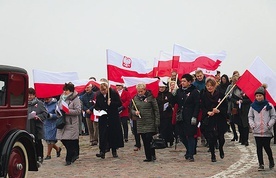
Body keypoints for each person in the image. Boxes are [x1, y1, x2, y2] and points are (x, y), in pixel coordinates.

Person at [173, 74, 200, 161]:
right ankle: (189, 150)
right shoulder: (179, 91)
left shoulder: (194, 91)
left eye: (184, 81)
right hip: (181, 116)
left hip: (190, 115)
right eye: (182, 81)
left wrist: (195, 116)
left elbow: (197, 105)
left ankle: (191, 154)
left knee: (191, 135)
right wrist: (172, 94)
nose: (182, 83)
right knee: (181, 135)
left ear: (189, 82)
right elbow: (174, 102)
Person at [200, 77, 228, 162]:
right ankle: (212, 154)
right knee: (211, 138)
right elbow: (202, 107)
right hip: (209, 119)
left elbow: (225, 107)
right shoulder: (204, 95)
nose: (209, 87)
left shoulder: (221, 95)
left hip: (219, 119)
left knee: (221, 138)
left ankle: (220, 148)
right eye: (208, 86)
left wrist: (218, 110)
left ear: (214, 86)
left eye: (211, 86)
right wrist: (207, 112)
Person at [248, 85, 275, 171]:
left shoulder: (269, 105)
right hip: (257, 131)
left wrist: (269, 125)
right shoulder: (253, 106)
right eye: (257, 96)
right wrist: (252, 125)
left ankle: (271, 160)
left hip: (267, 131)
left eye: (260, 95)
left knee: (267, 147)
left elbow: (273, 116)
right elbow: (250, 117)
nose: (259, 97)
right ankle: (261, 164)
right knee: (258, 148)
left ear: (264, 96)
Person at [94, 80, 124, 159]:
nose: (103, 92)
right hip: (103, 117)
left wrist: (111, 103)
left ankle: (114, 150)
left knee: (113, 133)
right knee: (103, 134)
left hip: (112, 117)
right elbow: (96, 105)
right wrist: (99, 109)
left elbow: (119, 103)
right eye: (101, 90)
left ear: (107, 89)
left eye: (104, 90)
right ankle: (102, 151)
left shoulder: (113, 93)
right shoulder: (99, 95)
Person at [131, 83, 160, 162]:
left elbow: (156, 110)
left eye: (141, 91)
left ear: (145, 90)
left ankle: (152, 154)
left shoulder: (151, 98)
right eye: (138, 91)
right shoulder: (135, 99)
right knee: (144, 139)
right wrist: (135, 112)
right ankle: (148, 156)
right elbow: (132, 109)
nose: (140, 93)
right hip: (141, 122)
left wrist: (157, 121)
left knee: (149, 138)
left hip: (150, 121)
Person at [56, 82, 82, 166]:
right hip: (63, 122)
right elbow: (58, 106)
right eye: (64, 90)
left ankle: (68, 159)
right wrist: (58, 111)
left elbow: (78, 111)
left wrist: (68, 111)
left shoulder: (75, 99)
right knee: (63, 139)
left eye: (66, 90)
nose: (64, 92)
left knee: (69, 141)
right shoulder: (62, 98)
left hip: (71, 123)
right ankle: (73, 153)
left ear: (70, 91)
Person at [27, 87, 48, 164]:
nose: (29, 97)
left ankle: (40, 156)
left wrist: (38, 116)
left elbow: (45, 113)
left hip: (37, 126)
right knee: (29, 142)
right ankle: (31, 157)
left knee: (38, 142)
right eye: (28, 95)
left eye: (31, 95)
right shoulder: (24, 103)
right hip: (27, 126)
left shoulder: (39, 103)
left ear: (34, 95)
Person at [156, 80, 174, 147]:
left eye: (162, 87)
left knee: (169, 129)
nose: (161, 89)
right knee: (162, 129)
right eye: (160, 87)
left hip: (168, 114)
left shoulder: (169, 94)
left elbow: (173, 102)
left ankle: (171, 140)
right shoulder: (157, 95)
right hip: (160, 114)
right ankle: (164, 141)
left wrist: (169, 106)